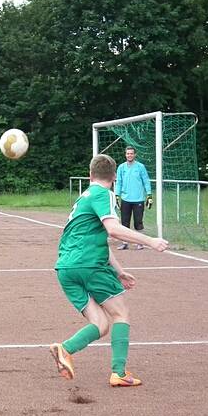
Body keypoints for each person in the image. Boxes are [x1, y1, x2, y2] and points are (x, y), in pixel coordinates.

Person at [49, 154, 168, 387]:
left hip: (66, 269)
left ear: (89, 175)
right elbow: (112, 230)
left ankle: (65, 349)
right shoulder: (104, 194)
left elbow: (100, 239)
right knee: (120, 314)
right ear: (114, 177)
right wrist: (150, 240)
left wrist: (119, 271)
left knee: (101, 324)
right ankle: (119, 373)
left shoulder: (84, 196)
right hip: (89, 266)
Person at [114, 146, 152, 250]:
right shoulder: (121, 167)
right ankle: (124, 242)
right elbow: (119, 182)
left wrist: (149, 195)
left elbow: (146, 181)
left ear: (135, 155)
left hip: (138, 199)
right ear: (125, 154)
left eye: (131, 153)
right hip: (125, 199)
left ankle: (140, 242)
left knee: (138, 222)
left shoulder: (140, 167)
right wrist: (117, 195)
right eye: (127, 153)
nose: (129, 155)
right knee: (124, 222)